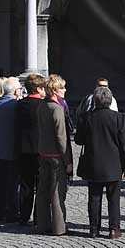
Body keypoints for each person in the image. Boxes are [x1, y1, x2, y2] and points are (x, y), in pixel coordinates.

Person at [76, 85, 125, 238]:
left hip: (93, 162)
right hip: (114, 164)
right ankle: (114, 229)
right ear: (110, 100)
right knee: (114, 199)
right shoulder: (120, 118)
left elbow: (79, 140)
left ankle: (94, 229)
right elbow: (124, 145)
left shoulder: (86, 117)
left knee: (94, 198)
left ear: (95, 100)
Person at [35, 76, 73, 236]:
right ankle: (59, 227)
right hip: (56, 155)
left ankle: (42, 224)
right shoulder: (56, 108)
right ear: (54, 90)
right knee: (57, 192)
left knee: (43, 191)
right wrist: (68, 160)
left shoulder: (41, 105)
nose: (64, 90)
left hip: (43, 152)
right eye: (62, 88)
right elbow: (61, 137)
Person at [16, 73, 47, 226]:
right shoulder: (43, 105)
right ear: (39, 88)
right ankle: (38, 216)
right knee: (40, 186)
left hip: (23, 149)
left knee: (26, 184)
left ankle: (23, 215)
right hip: (40, 150)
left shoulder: (20, 104)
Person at [0, 75, 20, 221]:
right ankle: (12, 211)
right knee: (13, 183)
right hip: (12, 149)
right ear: (16, 91)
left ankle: (0, 209)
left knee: (2, 181)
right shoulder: (15, 105)